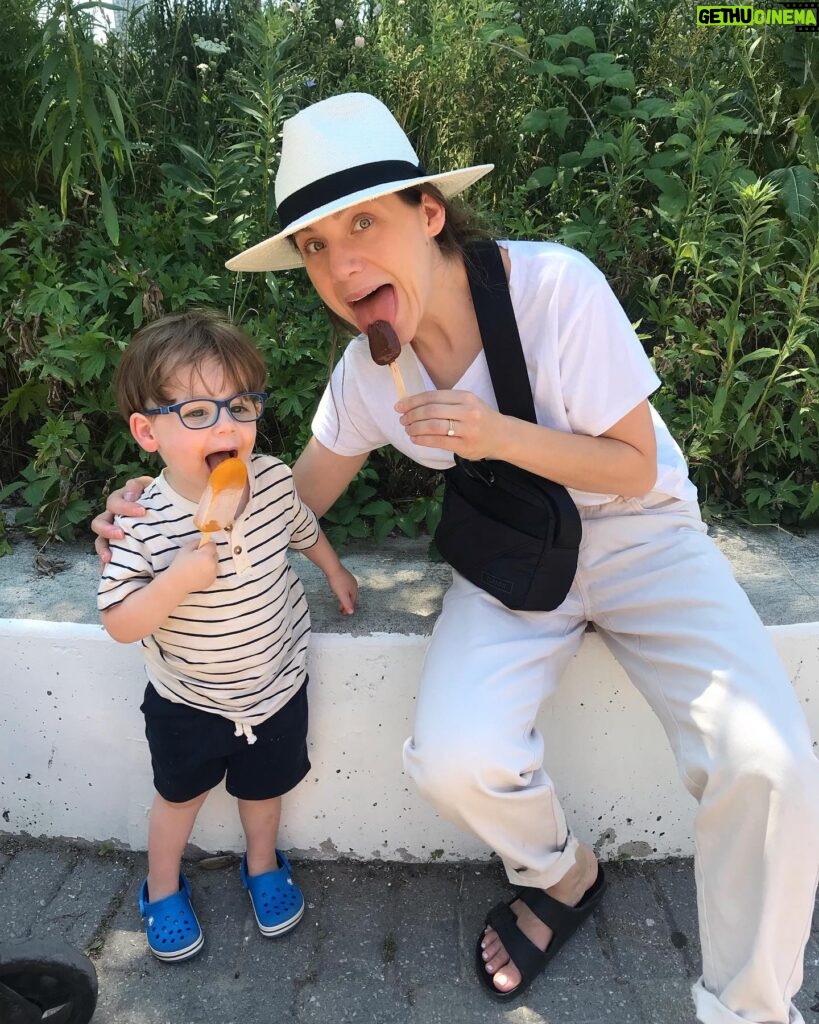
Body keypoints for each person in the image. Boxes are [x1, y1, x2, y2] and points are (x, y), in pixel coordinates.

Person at [92, 93, 819, 1019]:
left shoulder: (553, 289)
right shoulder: (367, 375)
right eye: (314, 244)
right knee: (451, 756)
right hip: (515, 557)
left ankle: (752, 1010)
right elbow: (291, 499)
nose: (340, 263)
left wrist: (494, 433)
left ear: (428, 213)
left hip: (646, 538)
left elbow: (635, 467)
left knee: (766, 764)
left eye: (363, 222)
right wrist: (156, 505)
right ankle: (561, 874)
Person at [97, 308, 357, 962]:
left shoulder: (268, 478)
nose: (225, 425)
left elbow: (302, 528)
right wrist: (177, 579)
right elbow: (120, 622)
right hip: (188, 699)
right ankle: (161, 887)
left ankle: (261, 863)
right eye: (195, 413)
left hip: (275, 684)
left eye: (239, 406)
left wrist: (332, 568)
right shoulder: (143, 522)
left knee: (263, 790)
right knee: (177, 799)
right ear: (146, 431)